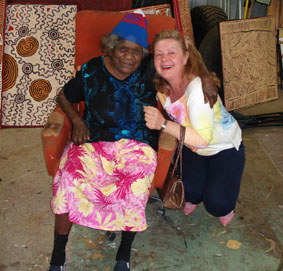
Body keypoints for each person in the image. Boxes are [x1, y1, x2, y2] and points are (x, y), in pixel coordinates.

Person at [48, 11, 218, 271]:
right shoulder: (92, 70)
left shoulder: (151, 68)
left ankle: (123, 256)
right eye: (122, 49)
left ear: (144, 54)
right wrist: (78, 120)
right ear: (111, 47)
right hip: (93, 142)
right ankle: (58, 257)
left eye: (136, 51)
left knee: (135, 183)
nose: (129, 57)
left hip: (137, 145)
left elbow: (187, 53)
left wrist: (205, 77)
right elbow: (62, 96)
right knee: (69, 179)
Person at [144, 29, 245, 227]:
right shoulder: (160, 85)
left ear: (185, 57)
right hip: (191, 147)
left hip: (221, 147)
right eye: (159, 54)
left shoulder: (197, 88)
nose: (165, 58)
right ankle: (200, 185)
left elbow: (203, 140)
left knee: (217, 205)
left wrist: (163, 124)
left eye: (172, 52)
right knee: (188, 193)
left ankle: (224, 200)